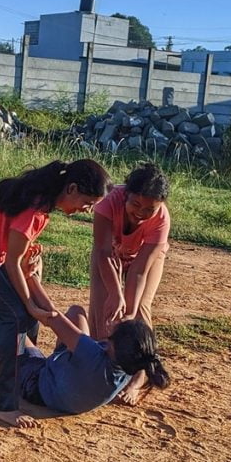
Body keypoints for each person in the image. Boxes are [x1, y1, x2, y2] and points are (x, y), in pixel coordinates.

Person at [0, 159, 112, 427]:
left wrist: (31, 278)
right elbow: (13, 262)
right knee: (15, 316)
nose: (87, 209)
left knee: (14, 312)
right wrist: (30, 304)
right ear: (71, 188)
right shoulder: (36, 209)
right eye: (87, 202)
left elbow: (16, 248)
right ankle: (5, 405)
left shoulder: (39, 197)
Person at [89, 162, 171, 405]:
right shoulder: (107, 204)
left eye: (150, 209)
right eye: (136, 204)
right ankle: (103, 370)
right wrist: (115, 294)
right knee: (102, 308)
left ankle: (139, 376)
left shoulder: (161, 220)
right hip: (109, 253)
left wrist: (131, 309)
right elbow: (103, 252)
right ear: (125, 195)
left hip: (144, 260)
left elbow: (139, 271)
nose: (141, 213)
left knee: (140, 311)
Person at [16, 304, 170, 425]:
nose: (117, 322)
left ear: (113, 345)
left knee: (14, 328)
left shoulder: (91, 354)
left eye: (119, 326)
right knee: (76, 312)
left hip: (38, 386)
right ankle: (40, 353)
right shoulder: (129, 366)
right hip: (70, 387)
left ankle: (6, 356)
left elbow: (51, 315)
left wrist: (29, 280)